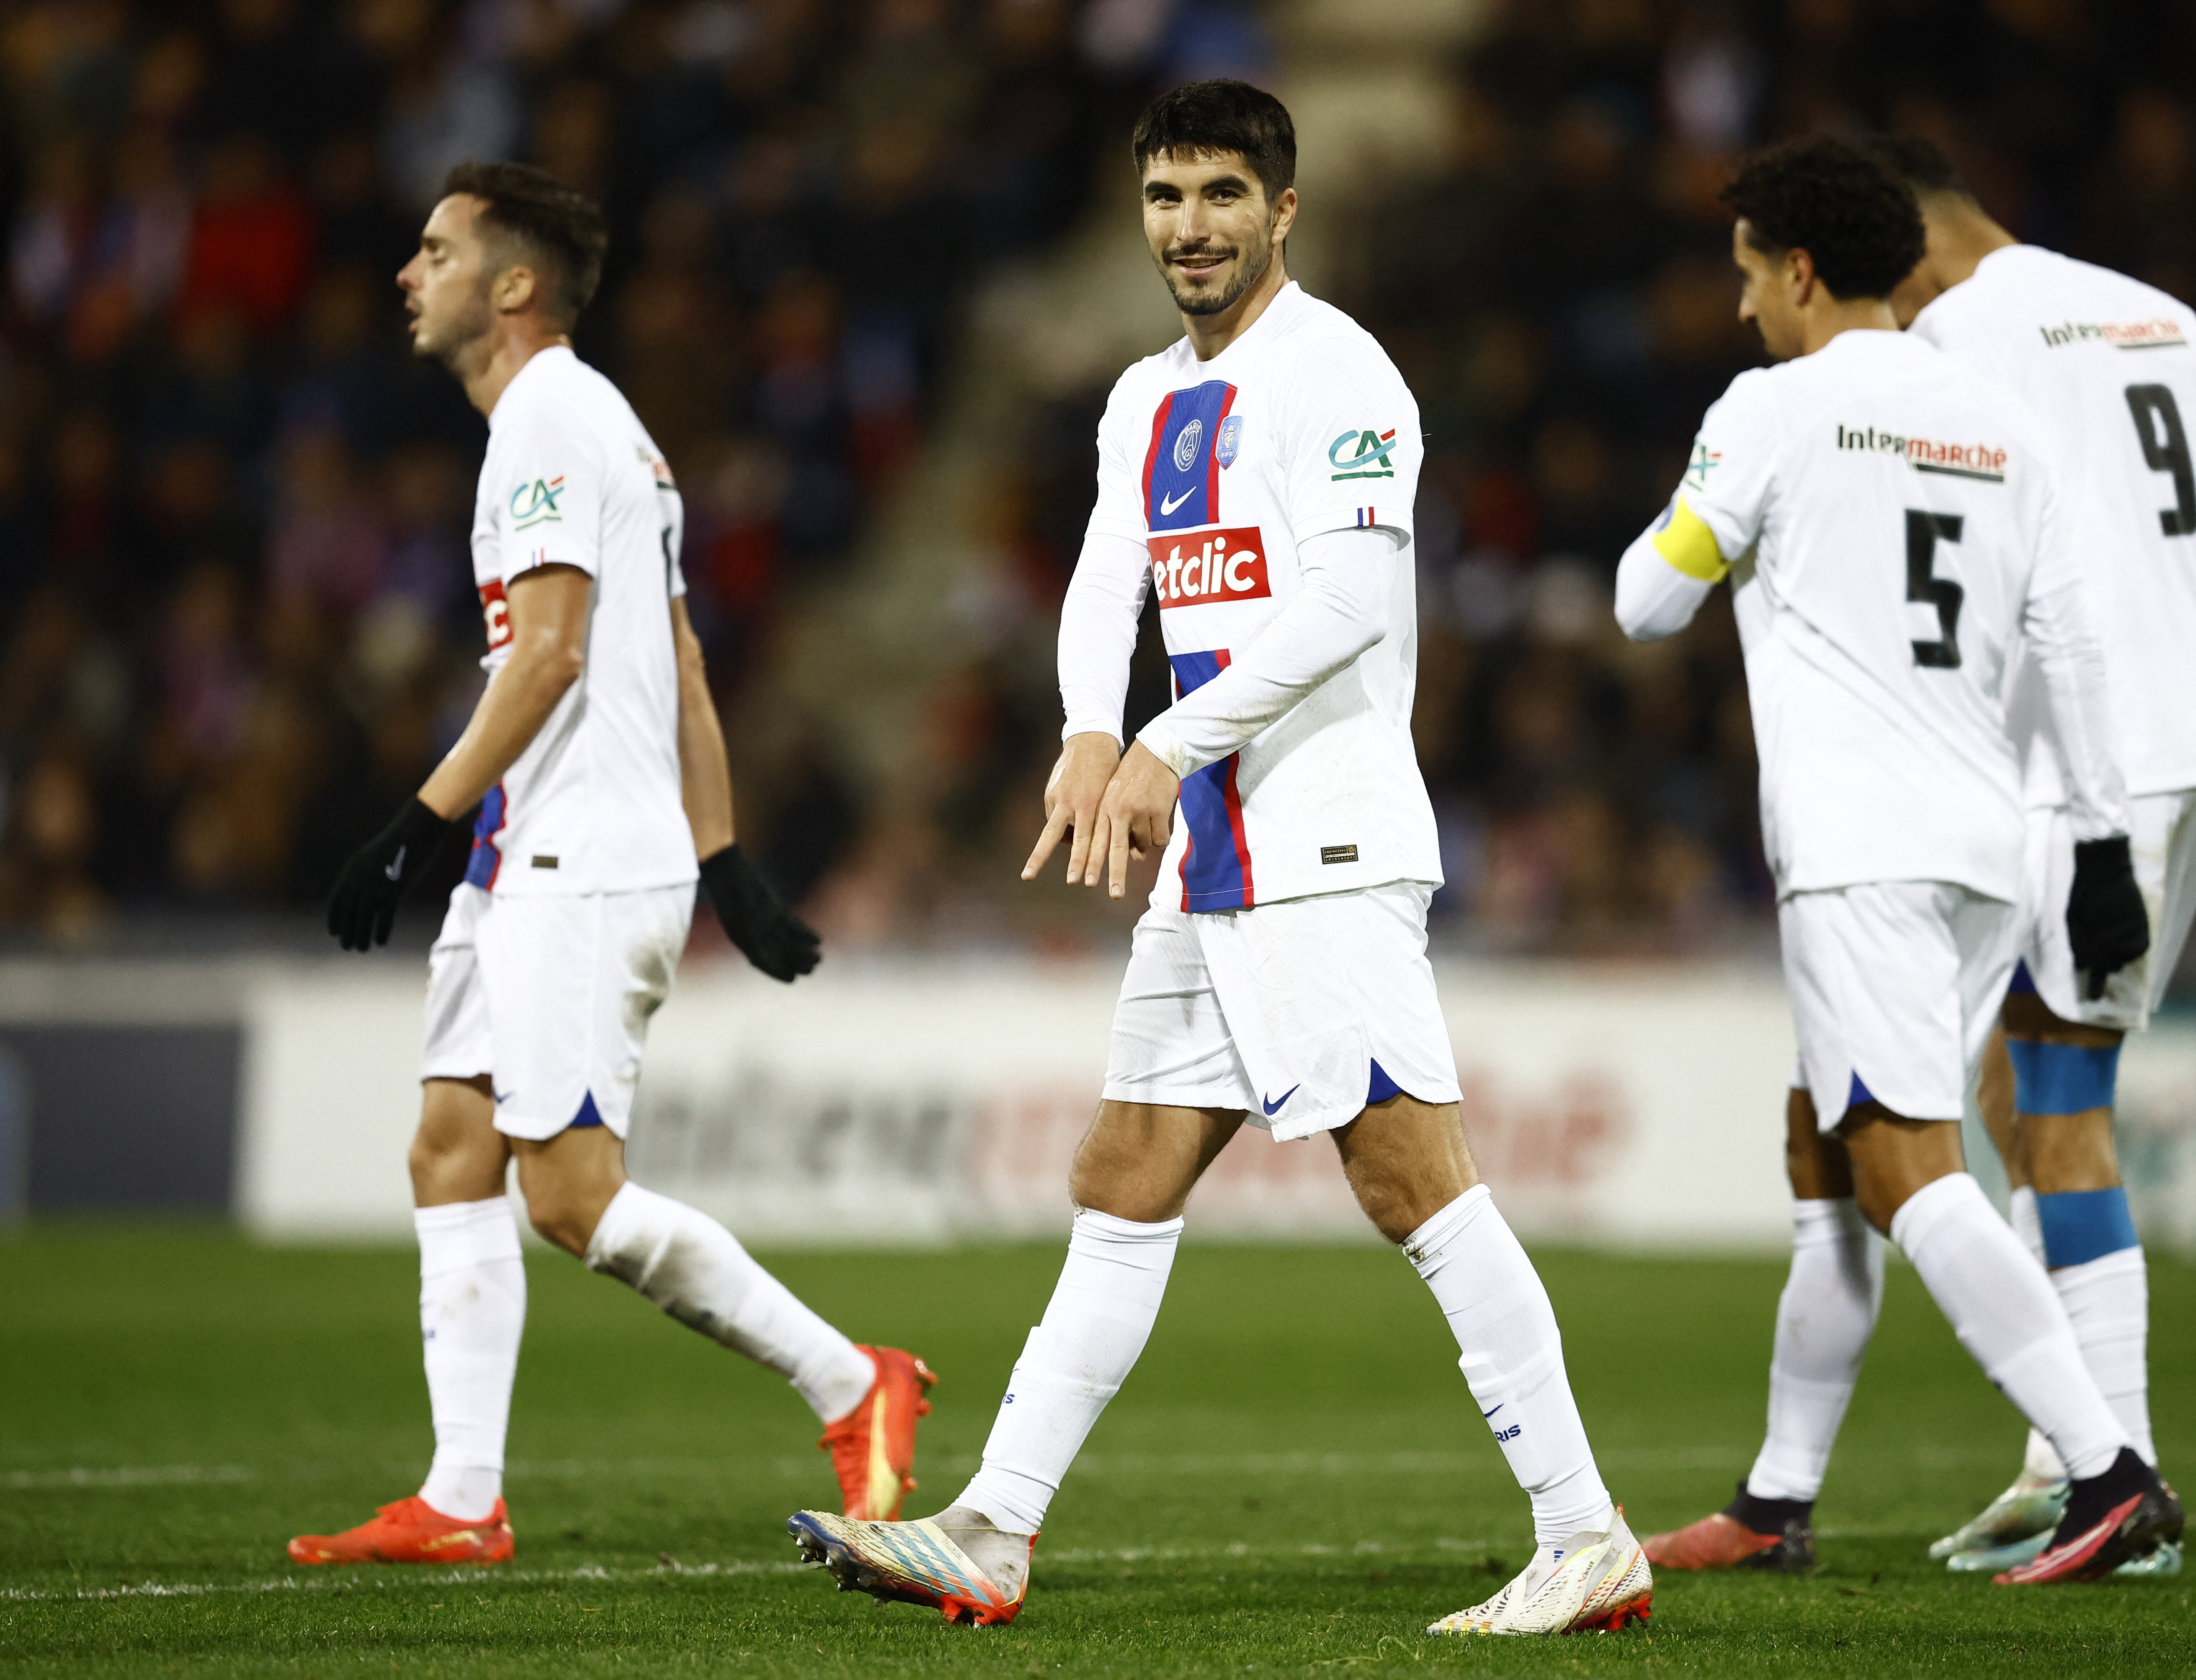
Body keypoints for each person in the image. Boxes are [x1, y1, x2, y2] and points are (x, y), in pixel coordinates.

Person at [783, 80, 1650, 1638]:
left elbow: (1349, 606)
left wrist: (1165, 743)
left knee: (1410, 1175)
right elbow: (1105, 576)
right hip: (1216, 856)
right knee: (1126, 1168)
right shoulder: (1141, 397)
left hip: (1323, 833)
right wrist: (1083, 727)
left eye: (1224, 195)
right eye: (1166, 196)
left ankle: (1586, 1535)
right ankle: (992, 1526)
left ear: (1284, 209)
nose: (1191, 227)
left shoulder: (1344, 374)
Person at [289, 162, 932, 1568]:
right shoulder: (610, 428)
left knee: (572, 1195)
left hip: (575, 855)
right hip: (538, 851)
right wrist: (726, 854)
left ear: (514, 284)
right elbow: (680, 660)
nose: (408, 272)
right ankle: (465, 1497)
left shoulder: (546, 420)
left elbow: (553, 653)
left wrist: (415, 818)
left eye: (437, 249)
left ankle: (851, 1379)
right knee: (451, 1145)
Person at [1614, 137, 2177, 1586]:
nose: (1744, 305)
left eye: (1750, 274)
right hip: (1988, 844)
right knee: (1827, 1141)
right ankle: (1777, 1498)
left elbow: (1646, 601)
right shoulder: (2001, 420)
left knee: (1899, 1162)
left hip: (1857, 844)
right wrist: (2101, 844)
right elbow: (2074, 642)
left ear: (1801, 270)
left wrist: (1707, 523)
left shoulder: (1770, 409)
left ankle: (2108, 1467)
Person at [1871, 132, 2196, 1576]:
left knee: (2060, 1096)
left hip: (2081, 767)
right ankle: (2067, 1458)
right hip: (2190, 746)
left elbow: (2001, 570)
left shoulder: (1955, 337)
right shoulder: (2154, 313)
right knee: (2019, 1082)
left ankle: (2123, 1482)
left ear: (1910, 246)